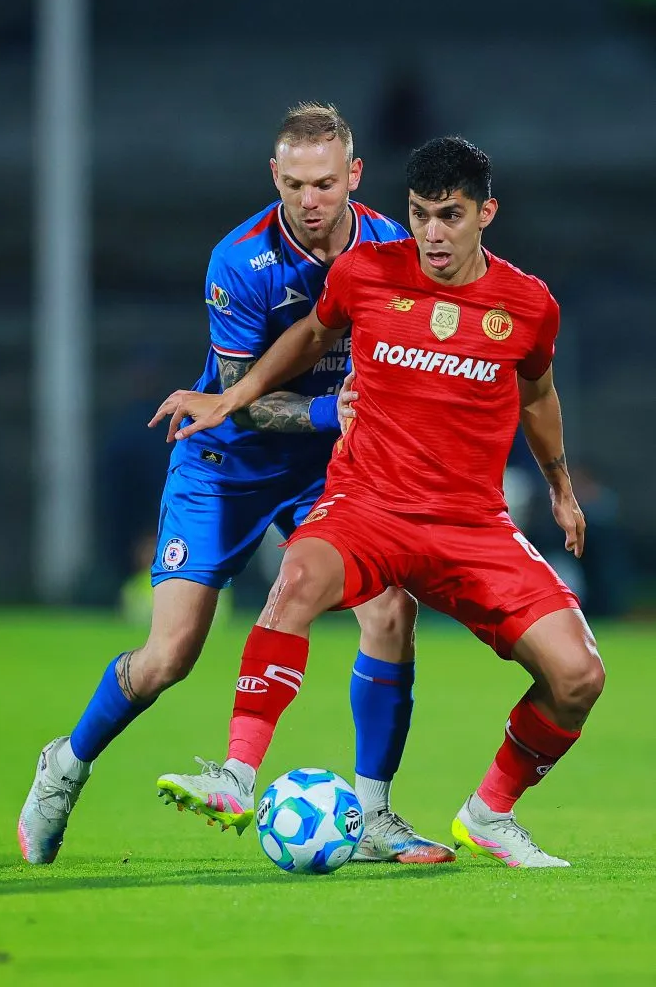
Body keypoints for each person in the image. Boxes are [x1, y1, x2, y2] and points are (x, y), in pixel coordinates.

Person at [151, 136, 606, 869]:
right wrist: (233, 397)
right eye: (420, 214)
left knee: (579, 676)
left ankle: (489, 813)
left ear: (485, 213)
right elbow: (310, 335)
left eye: (450, 216)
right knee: (296, 579)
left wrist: (558, 485)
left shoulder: (526, 304)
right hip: (368, 506)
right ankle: (235, 774)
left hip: (470, 524)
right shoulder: (366, 273)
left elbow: (538, 394)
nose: (432, 233)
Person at [18, 103, 454, 866]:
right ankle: (66, 764)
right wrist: (332, 409)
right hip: (226, 464)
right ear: (274, 177)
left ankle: (375, 815)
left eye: (325, 183)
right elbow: (237, 401)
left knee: (389, 608)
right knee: (169, 655)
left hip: (327, 471)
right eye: (295, 185)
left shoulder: (395, 247)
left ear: (354, 174)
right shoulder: (240, 261)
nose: (310, 201)